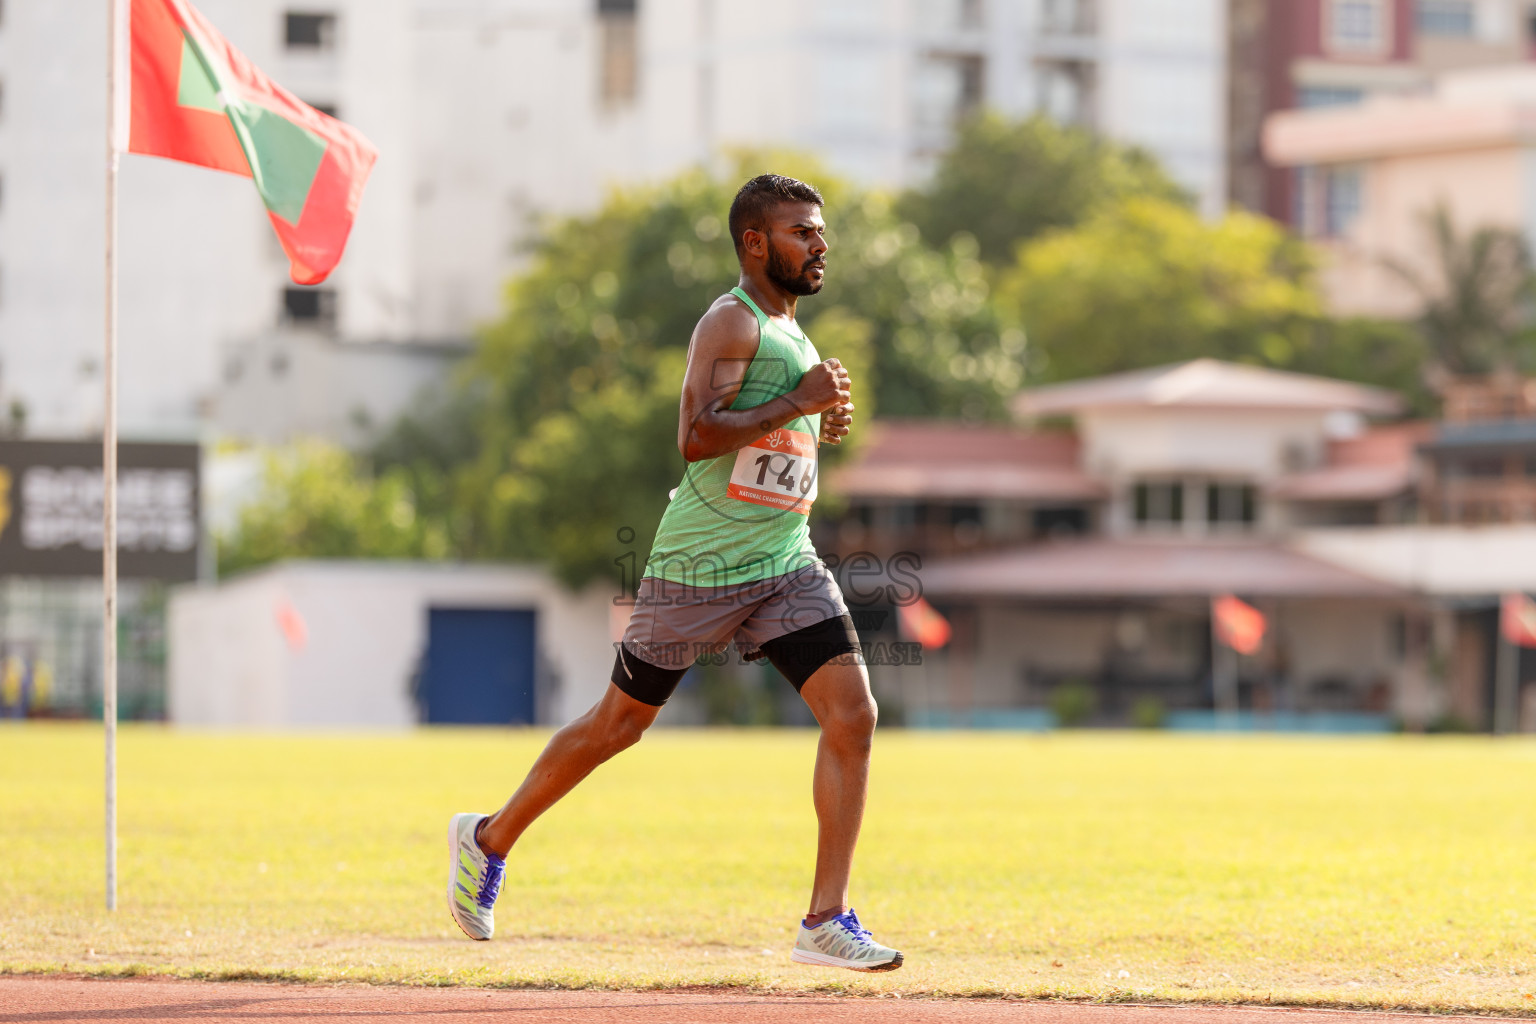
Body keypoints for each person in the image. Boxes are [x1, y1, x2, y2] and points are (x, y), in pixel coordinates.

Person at [446, 174, 901, 973]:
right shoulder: (731, 320)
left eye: (822, 231)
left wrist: (815, 419)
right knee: (619, 726)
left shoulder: (792, 334)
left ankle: (825, 919)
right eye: (803, 231)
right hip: (699, 566)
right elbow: (695, 436)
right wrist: (798, 401)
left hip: (784, 562)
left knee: (854, 716)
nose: (821, 244)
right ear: (756, 243)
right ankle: (488, 840)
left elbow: (768, 439)